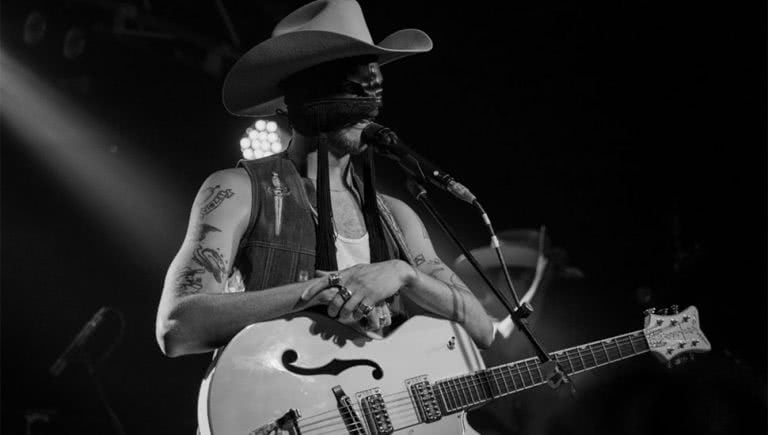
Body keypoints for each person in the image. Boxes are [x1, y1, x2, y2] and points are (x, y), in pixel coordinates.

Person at [155, 0, 494, 366]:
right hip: (271, 410)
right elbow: (177, 327)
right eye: (347, 87)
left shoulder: (396, 215)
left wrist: (405, 275)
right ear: (299, 100)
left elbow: (482, 330)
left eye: (371, 89)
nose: (365, 105)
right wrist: (317, 292)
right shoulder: (239, 191)